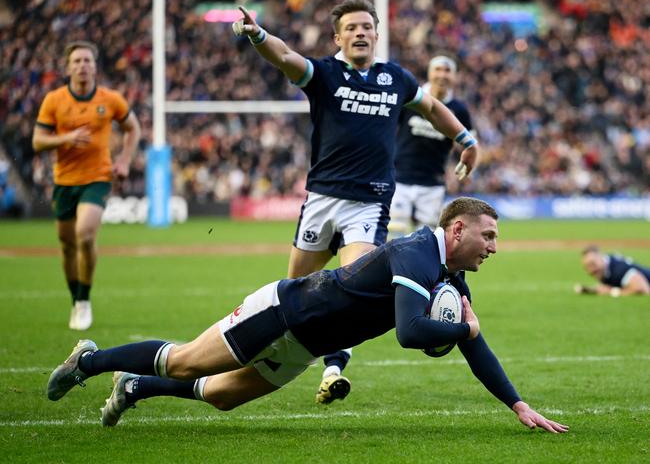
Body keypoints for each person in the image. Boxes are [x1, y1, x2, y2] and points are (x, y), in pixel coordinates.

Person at [47, 197, 569, 434]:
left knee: (224, 397)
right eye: (489, 236)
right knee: (185, 364)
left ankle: (134, 388)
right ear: (458, 231)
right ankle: (88, 362)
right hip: (283, 311)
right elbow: (412, 333)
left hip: (307, 343)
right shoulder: (415, 253)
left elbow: (473, 344)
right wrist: (461, 327)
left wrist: (518, 404)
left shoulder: (450, 274)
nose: (493, 248)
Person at [232, 0, 479, 404]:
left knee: (353, 293)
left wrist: (466, 140)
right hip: (322, 200)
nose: (360, 33)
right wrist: (258, 35)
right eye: (351, 28)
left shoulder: (395, 79)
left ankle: (333, 370)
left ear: (377, 35)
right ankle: (253, 351)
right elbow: (286, 57)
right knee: (293, 290)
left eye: (366, 27)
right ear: (337, 37)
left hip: (368, 204)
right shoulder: (325, 74)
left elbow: (433, 107)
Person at [32, 41, 141, 330]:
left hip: (98, 177)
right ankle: (76, 299)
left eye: (87, 60)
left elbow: (133, 128)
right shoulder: (54, 100)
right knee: (67, 245)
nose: (82, 65)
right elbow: (38, 141)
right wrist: (64, 139)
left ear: (95, 66)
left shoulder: (110, 99)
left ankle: (84, 300)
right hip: (64, 181)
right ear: (68, 68)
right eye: (77, 61)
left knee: (85, 233)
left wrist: (124, 162)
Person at [390, 54, 478, 237]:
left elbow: (472, 145)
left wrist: (469, 169)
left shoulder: (459, 109)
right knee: (394, 235)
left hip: (433, 183)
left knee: (427, 238)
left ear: (455, 76)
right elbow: (388, 129)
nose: (442, 75)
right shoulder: (412, 99)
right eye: (438, 69)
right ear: (429, 73)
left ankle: (420, 267)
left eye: (447, 71)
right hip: (399, 178)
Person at [575, 245, 650, 297]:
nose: (591, 270)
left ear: (601, 257)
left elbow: (642, 289)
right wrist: (591, 291)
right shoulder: (608, 267)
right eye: (586, 267)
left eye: (593, 264)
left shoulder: (619, 270)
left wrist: (612, 292)